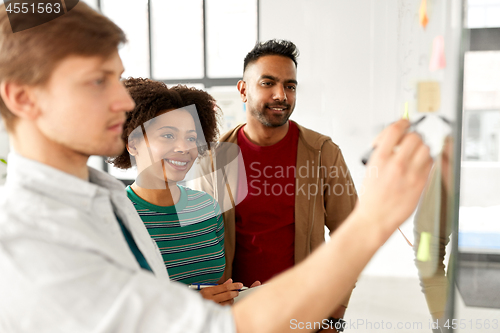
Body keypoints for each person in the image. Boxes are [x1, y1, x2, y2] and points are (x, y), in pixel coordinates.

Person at [0, 2, 433, 332]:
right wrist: (376, 219)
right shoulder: (28, 244)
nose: (125, 102)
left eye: (118, 77)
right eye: (98, 80)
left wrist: (320, 315)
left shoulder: (107, 200)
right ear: (22, 97)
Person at [192, 39, 358, 321]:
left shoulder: (322, 153)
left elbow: (352, 236)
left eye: (290, 86)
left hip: (305, 308)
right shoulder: (213, 159)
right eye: (268, 83)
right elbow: (201, 241)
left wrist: (335, 317)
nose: (281, 95)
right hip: (236, 310)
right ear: (243, 90)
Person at [108, 78, 258, 305]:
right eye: (168, 135)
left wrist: (240, 294)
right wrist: (191, 305)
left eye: (191, 137)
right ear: (133, 143)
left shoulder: (207, 207)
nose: (184, 147)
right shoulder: (115, 216)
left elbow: (215, 285)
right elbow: (112, 307)